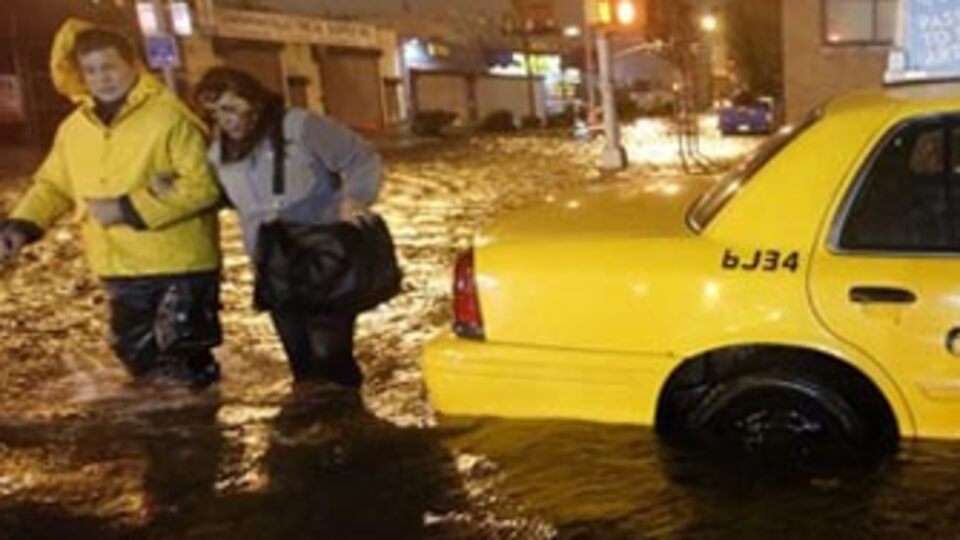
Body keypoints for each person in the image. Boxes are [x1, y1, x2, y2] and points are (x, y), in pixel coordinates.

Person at [0, 21, 224, 388]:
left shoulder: (169, 117)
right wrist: (21, 225)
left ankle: (200, 438)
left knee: (184, 358)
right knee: (137, 357)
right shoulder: (74, 129)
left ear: (133, 65)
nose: (101, 78)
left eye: (109, 67)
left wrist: (127, 209)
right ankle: (164, 438)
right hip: (118, 266)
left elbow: (203, 186)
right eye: (90, 70)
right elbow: (53, 185)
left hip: (180, 265)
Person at [192, 67, 383, 388]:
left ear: (254, 99)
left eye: (230, 108)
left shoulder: (301, 126)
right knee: (301, 362)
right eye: (214, 113)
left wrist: (355, 199)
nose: (226, 120)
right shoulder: (219, 154)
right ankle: (315, 426)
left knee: (331, 358)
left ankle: (347, 422)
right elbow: (223, 198)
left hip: (323, 260)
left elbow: (361, 158)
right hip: (273, 268)